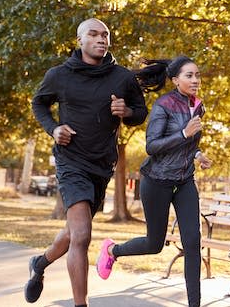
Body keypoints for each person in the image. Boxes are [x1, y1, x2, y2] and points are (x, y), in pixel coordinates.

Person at [25, 18, 148, 307]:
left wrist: (127, 110)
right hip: (71, 162)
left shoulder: (122, 77)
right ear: (80, 40)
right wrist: (53, 128)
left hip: (102, 165)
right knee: (82, 235)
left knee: (71, 233)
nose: (101, 39)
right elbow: (38, 103)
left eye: (105, 35)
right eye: (93, 34)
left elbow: (141, 112)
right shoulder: (59, 75)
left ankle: (40, 263)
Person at [96, 55, 212, 307]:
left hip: (184, 182)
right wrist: (183, 133)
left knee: (192, 242)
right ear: (175, 80)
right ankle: (112, 251)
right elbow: (152, 146)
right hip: (157, 181)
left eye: (197, 75)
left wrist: (198, 154)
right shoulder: (163, 105)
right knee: (154, 244)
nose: (195, 80)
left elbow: (189, 145)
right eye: (189, 75)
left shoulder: (198, 105)